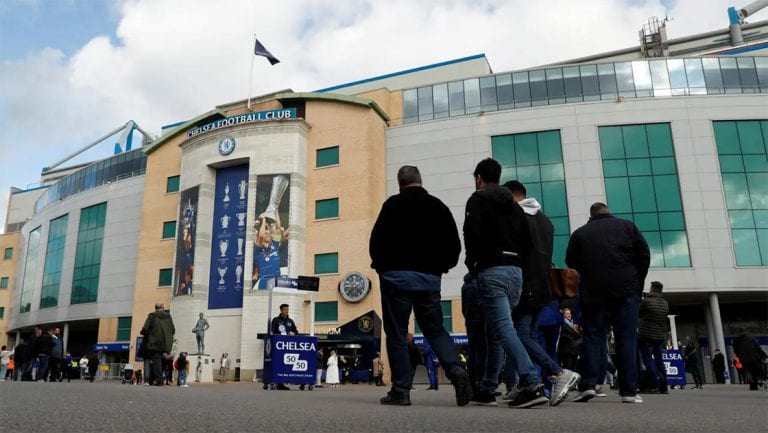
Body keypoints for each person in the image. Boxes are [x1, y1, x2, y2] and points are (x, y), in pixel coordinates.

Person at [369, 165, 471, 407]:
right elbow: (454, 246)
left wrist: (382, 267)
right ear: (420, 180)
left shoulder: (391, 205)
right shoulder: (438, 206)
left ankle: (401, 390)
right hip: (428, 279)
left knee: (396, 334)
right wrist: (441, 268)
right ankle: (456, 371)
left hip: (396, 279)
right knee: (435, 330)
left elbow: (376, 242)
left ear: (399, 183)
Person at [463, 159, 547, 409]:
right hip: (515, 272)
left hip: (492, 270)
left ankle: (532, 382)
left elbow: (471, 234)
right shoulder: (514, 204)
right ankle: (488, 387)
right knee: (496, 333)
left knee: (503, 330)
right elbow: (527, 239)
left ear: (479, 177)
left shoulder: (477, 199)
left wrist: (473, 267)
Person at [503, 180, 580, 406]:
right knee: (529, 335)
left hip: (526, 282)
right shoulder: (545, 220)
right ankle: (528, 383)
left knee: (521, 336)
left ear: (509, 196)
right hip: (544, 285)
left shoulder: (517, 216)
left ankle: (556, 373)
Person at [566, 202, 650, 404]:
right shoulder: (627, 226)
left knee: (593, 338)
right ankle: (629, 391)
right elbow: (644, 254)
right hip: (626, 290)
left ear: (591, 215)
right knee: (626, 339)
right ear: (608, 212)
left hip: (594, 292)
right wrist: (637, 283)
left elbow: (570, 261)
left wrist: (588, 275)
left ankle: (588, 385)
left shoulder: (580, 233)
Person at [637, 281, 670, 394]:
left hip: (647, 335)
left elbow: (639, 313)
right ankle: (664, 386)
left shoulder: (647, 301)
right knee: (659, 360)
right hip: (660, 336)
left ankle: (654, 385)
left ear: (652, 289)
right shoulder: (665, 303)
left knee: (648, 360)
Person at [140, 303, 176, 386]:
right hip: (166, 342)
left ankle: (159, 380)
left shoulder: (152, 316)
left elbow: (145, 328)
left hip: (154, 342)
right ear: (163, 308)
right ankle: (152, 380)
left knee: (155, 360)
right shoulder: (168, 317)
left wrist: (143, 332)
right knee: (158, 360)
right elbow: (173, 330)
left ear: (155, 308)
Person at [252, 211, 288, 290]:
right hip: (265, 282)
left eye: (269, 233)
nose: (268, 234)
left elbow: (278, 228)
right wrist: (264, 219)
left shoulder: (274, 245)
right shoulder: (258, 249)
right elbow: (261, 236)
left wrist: (276, 211)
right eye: (266, 233)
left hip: (277, 280)